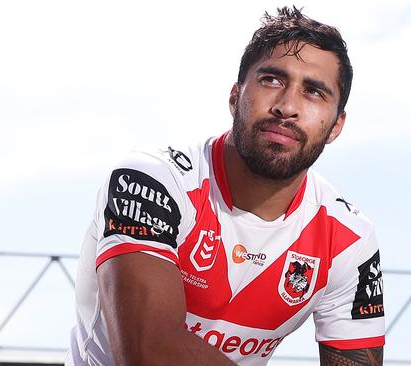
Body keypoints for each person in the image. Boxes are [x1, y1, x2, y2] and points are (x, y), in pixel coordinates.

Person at [67, 6, 384, 366]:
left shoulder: (350, 239)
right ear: (235, 96)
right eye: (272, 80)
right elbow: (149, 354)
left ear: (336, 125)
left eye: (314, 92)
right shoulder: (150, 180)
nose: (287, 106)